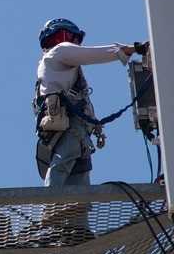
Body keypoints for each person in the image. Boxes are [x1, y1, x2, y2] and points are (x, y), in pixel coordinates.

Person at [34, 18, 148, 186]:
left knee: (79, 173)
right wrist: (131, 49)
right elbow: (92, 55)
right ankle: (52, 205)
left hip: (72, 129)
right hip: (70, 126)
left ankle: (73, 210)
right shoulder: (60, 51)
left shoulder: (52, 64)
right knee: (63, 164)